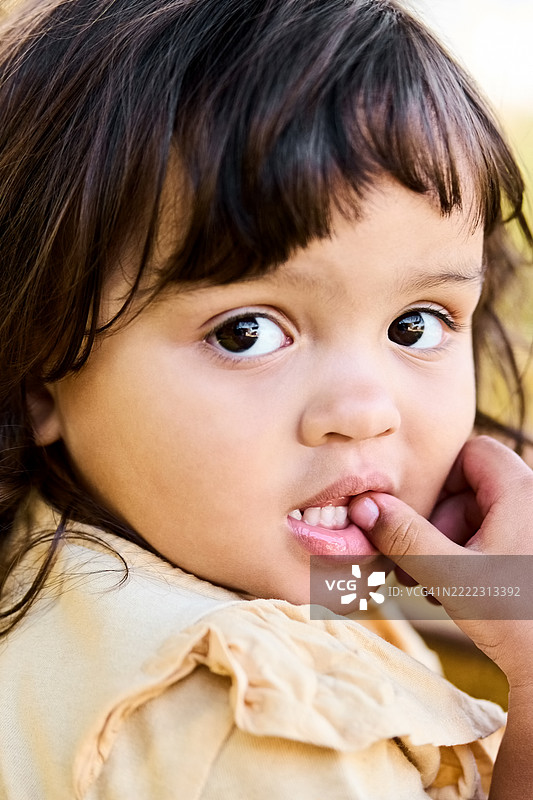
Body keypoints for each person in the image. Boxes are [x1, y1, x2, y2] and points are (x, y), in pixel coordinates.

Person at [0, 0, 531, 797]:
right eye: (246, 332)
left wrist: (503, 599)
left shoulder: (78, 558)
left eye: (416, 326)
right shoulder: (258, 719)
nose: (362, 411)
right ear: (41, 368)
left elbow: (372, 612)